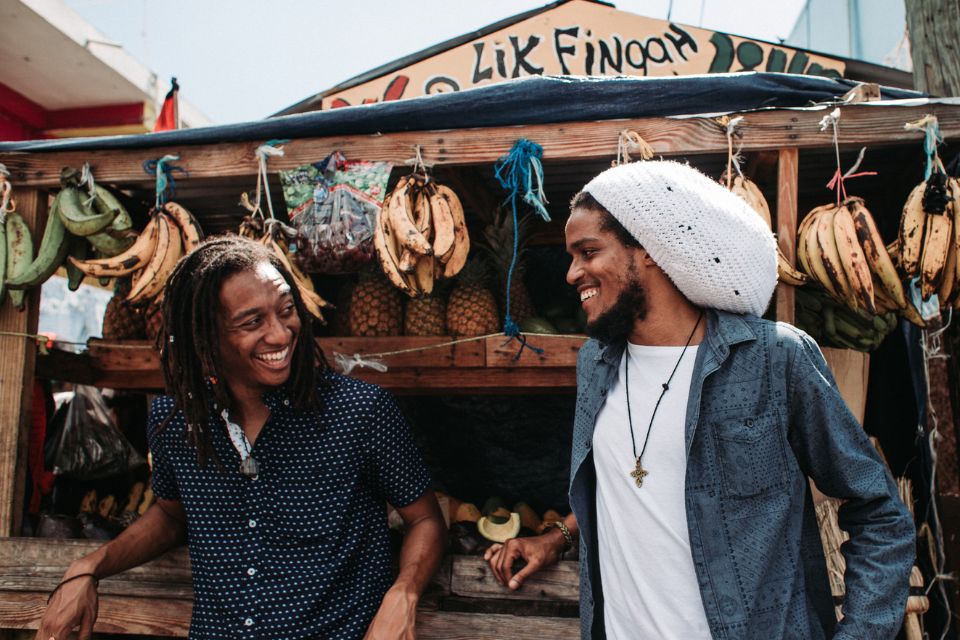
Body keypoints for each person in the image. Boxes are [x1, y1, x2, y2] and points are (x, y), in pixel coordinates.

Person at [485, 161, 915, 639]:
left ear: (648, 249)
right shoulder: (596, 364)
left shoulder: (773, 359)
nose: (571, 273)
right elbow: (639, 483)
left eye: (588, 252)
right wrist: (559, 536)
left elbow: (879, 512)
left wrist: (860, 633)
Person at [38, 235, 445, 640]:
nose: (281, 334)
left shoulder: (359, 411)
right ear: (205, 339)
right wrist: (90, 566)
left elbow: (425, 518)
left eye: (286, 310)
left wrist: (403, 592)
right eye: (252, 322)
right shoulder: (177, 425)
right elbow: (171, 514)